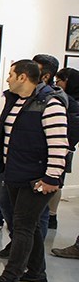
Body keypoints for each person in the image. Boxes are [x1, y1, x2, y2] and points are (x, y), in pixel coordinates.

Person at [0, 59, 68, 282]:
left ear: (23, 77)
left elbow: (59, 145)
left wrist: (51, 178)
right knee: (27, 227)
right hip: (14, 174)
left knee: (22, 226)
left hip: (37, 179)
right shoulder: (14, 102)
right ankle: (36, 273)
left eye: (11, 74)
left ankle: (10, 278)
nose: (8, 79)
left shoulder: (51, 105)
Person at [52, 66, 79, 260]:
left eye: (60, 80)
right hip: (62, 149)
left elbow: (72, 132)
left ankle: (50, 216)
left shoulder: (72, 103)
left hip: (62, 149)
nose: (57, 84)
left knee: (55, 180)